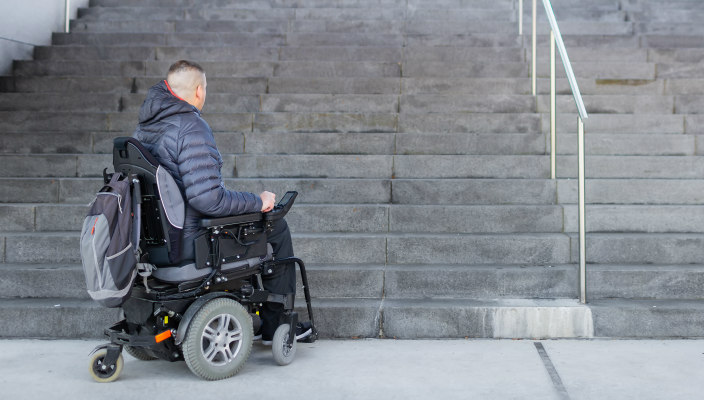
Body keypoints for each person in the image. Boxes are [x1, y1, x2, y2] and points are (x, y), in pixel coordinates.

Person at [132, 60, 311, 344]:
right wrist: (257, 202)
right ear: (199, 90)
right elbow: (208, 199)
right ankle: (277, 325)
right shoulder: (190, 128)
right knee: (274, 225)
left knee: (254, 222)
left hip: (157, 242)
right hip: (192, 241)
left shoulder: (143, 129)